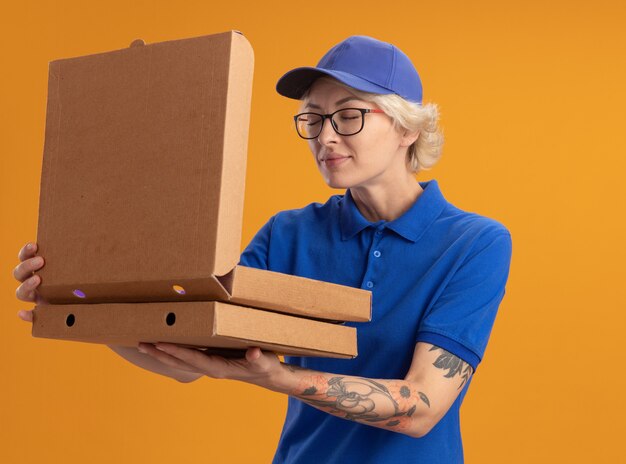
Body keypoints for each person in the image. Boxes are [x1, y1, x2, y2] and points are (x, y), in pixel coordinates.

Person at [14, 35, 512, 463]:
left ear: (408, 128)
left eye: (348, 116)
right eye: (313, 119)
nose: (326, 138)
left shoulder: (474, 243)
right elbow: (187, 358)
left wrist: (278, 378)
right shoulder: (288, 234)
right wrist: (79, 300)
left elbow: (422, 406)